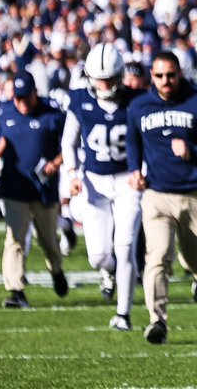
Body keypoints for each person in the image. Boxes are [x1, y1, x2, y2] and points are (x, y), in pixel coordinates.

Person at [126, 51, 197, 345]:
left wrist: (194, 152)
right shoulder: (139, 106)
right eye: (159, 75)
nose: (165, 81)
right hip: (157, 194)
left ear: (180, 73)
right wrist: (134, 170)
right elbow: (133, 141)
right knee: (157, 256)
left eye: (170, 75)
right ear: (152, 76)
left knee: (193, 258)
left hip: (195, 194)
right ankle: (157, 320)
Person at [61, 43, 144, 330]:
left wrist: (142, 171)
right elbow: (68, 142)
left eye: (109, 78)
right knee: (98, 256)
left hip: (127, 182)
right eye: (99, 78)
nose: (104, 84)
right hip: (93, 183)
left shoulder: (137, 101)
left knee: (125, 246)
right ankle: (109, 272)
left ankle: (124, 313)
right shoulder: (80, 101)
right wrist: (72, 173)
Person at [0, 73, 69, 309]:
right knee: (15, 239)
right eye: (17, 98)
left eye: (25, 98)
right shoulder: (6, 110)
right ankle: (16, 290)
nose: (21, 103)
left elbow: (70, 142)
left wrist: (55, 163)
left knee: (48, 241)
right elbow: (3, 139)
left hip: (44, 189)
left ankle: (57, 270)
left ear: (34, 93)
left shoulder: (52, 113)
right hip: (14, 187)